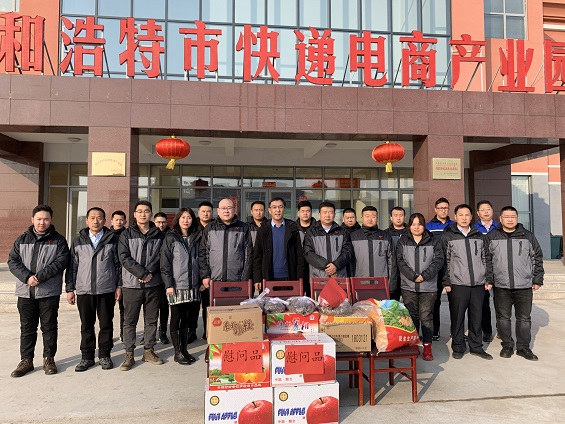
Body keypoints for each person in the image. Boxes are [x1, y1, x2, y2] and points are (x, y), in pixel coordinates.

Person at [8, 204, 70, 378]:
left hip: (48, 292)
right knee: (27, 328)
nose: (42, 222)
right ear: (32, 220)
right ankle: (26, 360)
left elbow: (61, 262)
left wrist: (40, 277)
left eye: (46, 219)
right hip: (25, 291)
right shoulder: (21, 239)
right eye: (39, 219)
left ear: (51, 220)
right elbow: (13, 261)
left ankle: (49, 359)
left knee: (49, 327)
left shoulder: (59, 241)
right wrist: (27, 277)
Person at [65, 207, 121, 372]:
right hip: (84, 290)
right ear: (87, 221)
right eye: (92, 218)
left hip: (106, 289)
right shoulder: (78, 241)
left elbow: (118, 266)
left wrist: (119, 286)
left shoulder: (113, 240)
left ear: (104, 220)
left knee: (106, 324)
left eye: (99, 218)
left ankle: (105, 355)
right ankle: (87, 357)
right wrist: (70, 288)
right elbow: (72, 266)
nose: (96, 221)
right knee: (86, 325)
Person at [485, 206, 544, 361]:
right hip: (501, 285)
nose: (510, 219)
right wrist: (489, 279)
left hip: (523, 285)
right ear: (500, 219)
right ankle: (507, 346)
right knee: (503, 317)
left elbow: (537, 257)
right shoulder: (492, 236)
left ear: (517, 218)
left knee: (524, 318)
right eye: (507, 216)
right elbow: (487, 260)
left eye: (513, 216)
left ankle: (523, 348)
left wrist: (537, 278)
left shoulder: (527, 236)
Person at [118, 201, 166, 371]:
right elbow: (124, 257)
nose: (143, 214)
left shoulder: (159, 234)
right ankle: (129, 354)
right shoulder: (126, 234)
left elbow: (162, 256)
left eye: (146, 211)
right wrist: (141, 273)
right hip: (131, 285)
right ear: (134, 214)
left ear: (151, 213)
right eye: (139, 211)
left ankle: (148, 350)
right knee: (129, 321)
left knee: (151, 320)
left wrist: (149, 272)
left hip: (153, 284)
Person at [442, 204, 492, 360]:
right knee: (457, 318)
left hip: (478, 284)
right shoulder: (448, 236)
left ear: (471, 217)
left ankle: (476, 347)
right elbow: (444, 261)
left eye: (467, 215)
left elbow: (486, 258)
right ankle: (458, 347)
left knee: (476, 317)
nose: (464, 218)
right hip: (457, 284)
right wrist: (446, 281)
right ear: (455, 217)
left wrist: (488, 278)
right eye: (461, 215)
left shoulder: (479, 236)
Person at [396, 213, 444, 361]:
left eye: (420, 224)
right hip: (408, 286)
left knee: (426, 316)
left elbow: (438, 261)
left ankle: (428, 347)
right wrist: (413, 276)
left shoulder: (433, 240)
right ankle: (414, 345)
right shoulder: (403, 241)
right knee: (412, 317)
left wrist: (424, 275)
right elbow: (400, 261)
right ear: (409, 225)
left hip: (428, 286)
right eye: (413, 224)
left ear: (424, 225)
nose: (416, 227)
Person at [160, 208, 201, 365]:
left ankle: (184, 349)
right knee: (176, 317)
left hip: (192, 285)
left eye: (189, 217)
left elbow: (201, 260)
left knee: (187, 318)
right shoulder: (171, 237)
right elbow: (165, 264)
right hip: (176, 285)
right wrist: (168, 284)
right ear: (178, 219)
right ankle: (177, 352)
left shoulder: (196, 236)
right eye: (183, 217)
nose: (186, 220)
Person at [199, 198, 252, 292]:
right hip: (214, 280)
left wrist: (245, 278)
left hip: (237, 280)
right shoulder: (210, 228)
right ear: (218, 211)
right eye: (223, 208)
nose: (226, 211)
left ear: (234, 210)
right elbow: (203, 253)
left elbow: (248, 255)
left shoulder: (244, 228)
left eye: (229, 208)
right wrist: (205, 275)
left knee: (236, 302)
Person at [253, 198, 304, 287]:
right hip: (268, 276)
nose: (277, 210)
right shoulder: (263, 229)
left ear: (284, 209)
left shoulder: (292, 228)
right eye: (274, 207)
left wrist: (300, 279)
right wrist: (257, 278)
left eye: (280, 207)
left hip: (289, 276)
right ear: (269, 210)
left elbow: (299, 256)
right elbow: (257, 256)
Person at [426, 197, 455, 341]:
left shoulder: (454, 225)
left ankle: (456, 332)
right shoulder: (428, 226)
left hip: (452, 268)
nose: (443, 210)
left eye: (446, 208)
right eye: (440, 208)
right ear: (435, 209)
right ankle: (434, 331)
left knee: (455, 303)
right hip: (436, 269)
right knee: (434, 302)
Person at [350, 206, 397, 290]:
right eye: (367, 216)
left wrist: (391, 285)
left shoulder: (385, 236)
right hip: (360, 283)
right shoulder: (353, 236)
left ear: (377, 218)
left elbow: (392, 262)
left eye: (373, 216)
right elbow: (350, 263)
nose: (370, 219)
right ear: (362, 218)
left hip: (381, 283)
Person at [303, 201, 353, 279]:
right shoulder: (311, 232)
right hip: (318, 277)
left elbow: (348, 252)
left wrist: (336, 265)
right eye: (324, 212)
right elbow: (308, 253)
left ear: (334, 215)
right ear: (319, 215)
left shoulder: (343, 232)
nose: (327, 215)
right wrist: (327, 266)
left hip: (339, 276)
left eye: (330, 212)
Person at [474, 200, 498, 342]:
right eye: (482, 210)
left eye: (488, 209)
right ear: (478, 213)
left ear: (492, 210)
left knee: (500, 303)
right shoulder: (474, 229)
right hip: (482, 270)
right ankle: (487, 331)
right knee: (484, 304)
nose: (486, 212)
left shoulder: (499, 227)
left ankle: (501, 330)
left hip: (498, 269)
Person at [153, 212, 170, 345]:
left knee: (164, 306)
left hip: (165, 276)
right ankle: (150, 333)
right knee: (151, 307)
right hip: (152, 275)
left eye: (163, 222)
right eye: (158, 222)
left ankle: (163, 332)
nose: (161, 224)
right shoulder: (151, 234)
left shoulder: (170, 235)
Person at [110, 210, 127, 342]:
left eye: (121, 220)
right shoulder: (107, 236)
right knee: (108, 311)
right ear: (111, 221)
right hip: (109, 276)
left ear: (125, 221)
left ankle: (123, 333)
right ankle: (108, 335)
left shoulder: (127, 235)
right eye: (116, 219)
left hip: (125, 276)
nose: (119, 222)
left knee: (124, 309)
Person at [197, 201, 213, 340]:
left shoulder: (214, 227)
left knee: (207, 305)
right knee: (193, 306)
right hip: (193, 272)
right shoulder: (193, 227)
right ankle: (191, 332)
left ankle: (208, 331)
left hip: (209, 273)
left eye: (208, 211)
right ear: (198, 213)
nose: (206, 214)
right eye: (203, 211)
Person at [385, 206, 407, 301]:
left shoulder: (411, 232)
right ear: (391, 217)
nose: (398, 218)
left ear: (404, 217)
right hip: (393, 273)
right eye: (395, 215)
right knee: (393, 302)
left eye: (401, 215)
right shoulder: (385, 234)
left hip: (408, 273)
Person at [296, 200, 316, 295]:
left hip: (314, 267)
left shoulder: (317, 228)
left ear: (311, 213)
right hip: (298, 267)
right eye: (303, 211)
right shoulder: (292, 228)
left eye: (307, 211)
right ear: (298, 213)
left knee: (312, 295)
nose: (305, 213)